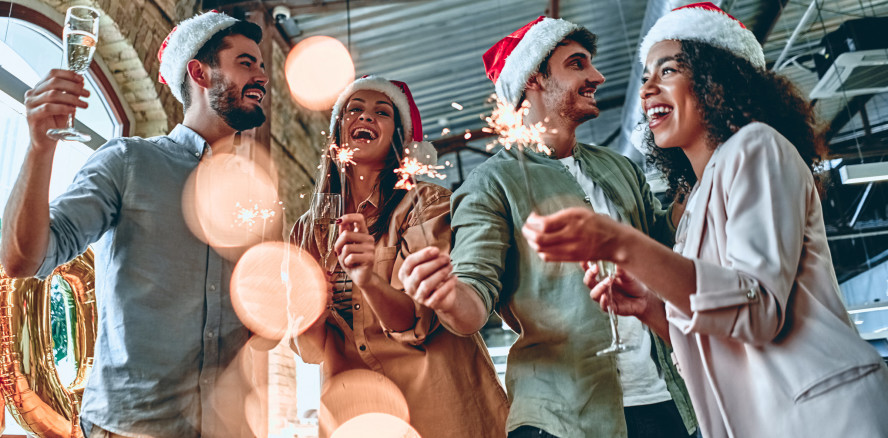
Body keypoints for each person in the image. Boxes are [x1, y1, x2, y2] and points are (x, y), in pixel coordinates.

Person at [522, 3, 888, 438]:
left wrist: (623, 245)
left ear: (716, 79)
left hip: (828, 417)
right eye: (645, 78)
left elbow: (758, 310)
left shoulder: (757, 148)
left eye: (667, 71)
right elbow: (718, 338)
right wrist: (654, 311)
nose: (646, 90)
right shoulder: (696, 205)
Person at [398, 16, 696, 438]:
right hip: (560, 420)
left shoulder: (619, 167)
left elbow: (667, 249)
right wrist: (445, 295)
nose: (597, 75)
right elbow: (472, 304)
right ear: (533, 79)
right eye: (577, 64)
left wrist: (699, 164)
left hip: (669, 405)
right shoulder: (491, 183)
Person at [0, 11, 269, 437]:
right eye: (246, 63)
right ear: (199, 73)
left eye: (261, 66)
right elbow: (23, 259)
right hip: (129, 428)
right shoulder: (128, 162)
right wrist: (39, 148)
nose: (261, 76)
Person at [290, 75, 509, 438]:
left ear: (398, 138)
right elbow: (309, 350)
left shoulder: (426, 204)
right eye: (354, 110)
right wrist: (310, 309)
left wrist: (367, 280)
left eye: (382, 112)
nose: (365, 117)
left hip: (440, 408)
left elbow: (417, 323)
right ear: (338, 129)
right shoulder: (309, 228)